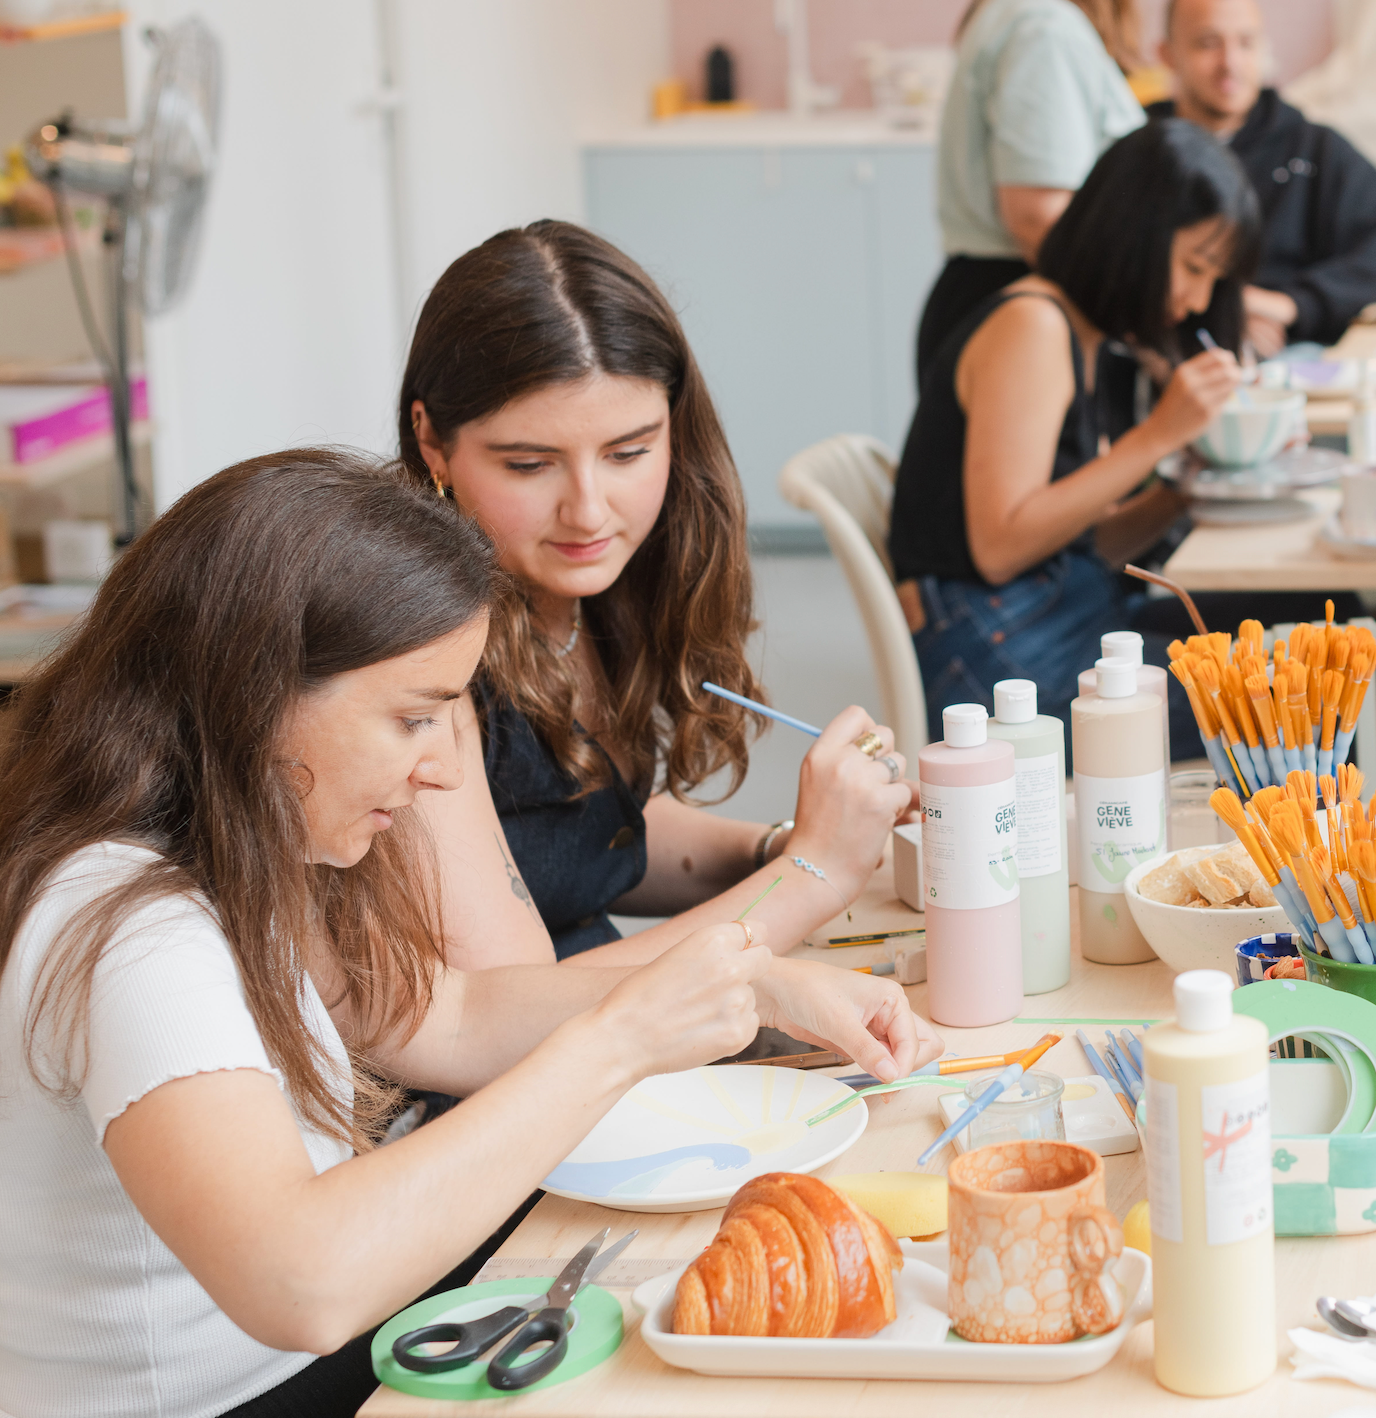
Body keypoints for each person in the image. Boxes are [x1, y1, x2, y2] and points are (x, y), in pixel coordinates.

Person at [0, 450, 942, 1418]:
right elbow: (301, 1280)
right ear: (259, 691)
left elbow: (454, 1014)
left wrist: (754, 980)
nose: (439, 775)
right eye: (413, 719)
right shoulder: (132, 929)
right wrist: (618, 1040)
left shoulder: (244, 852)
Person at [402, 222, 928, 1027]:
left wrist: (783, 845)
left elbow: (580, 837)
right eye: (528, 465)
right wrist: (813, 871)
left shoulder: (591, 587)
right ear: (432, 442)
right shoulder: (415, 656)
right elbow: (503, 1012)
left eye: (628, 451)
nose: (588, 509)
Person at [890, 120, 1261, 754]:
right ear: (1135, 238)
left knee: (1291, 653)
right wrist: (1156, 436)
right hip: (1000, 670)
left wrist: (1182, 486)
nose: (1200, 300)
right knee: (1283, 707)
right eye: (1193, 267)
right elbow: (1001, 547)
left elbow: (1076, 543)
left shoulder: (1082, 335)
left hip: (1048, 625)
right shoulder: (1032, 326)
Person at [916, 0, 1145, 386]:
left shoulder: (1024, 17)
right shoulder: (1046, 29)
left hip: (995, 299)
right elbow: (1037, 217)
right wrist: (1142, 326)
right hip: (1022, 310)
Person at [1151, 0, 1376, 353]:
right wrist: (1223, 314)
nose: (1230, 63)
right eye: (1208, 44)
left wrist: (1292, 305)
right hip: (1161, 350)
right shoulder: (1138, 150)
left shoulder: (1314, 149)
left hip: (1293, 357)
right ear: (1167, 54)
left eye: (1246, 43)